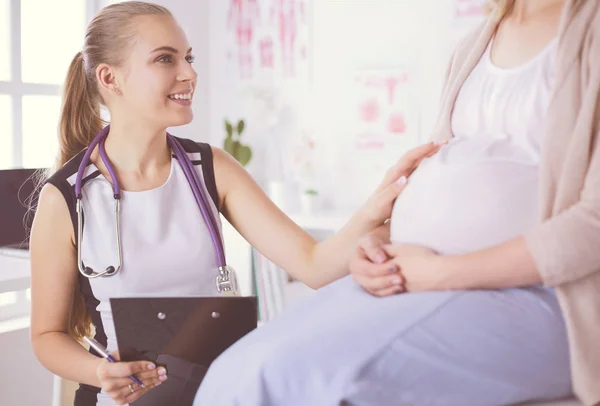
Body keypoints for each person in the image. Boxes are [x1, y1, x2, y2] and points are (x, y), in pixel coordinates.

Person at [28, 2, 444, 406]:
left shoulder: (213, 168)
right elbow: (47, 336)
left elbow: (314, 265)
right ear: (110, 78)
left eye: (188, 57)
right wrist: (100, 372)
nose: (189, 73)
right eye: (165, 59)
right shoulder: (67, 197)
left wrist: (377, 205)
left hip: (219, 391)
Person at [193, 0, 600, 405]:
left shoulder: (590, 28)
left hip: (547, 296)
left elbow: (593, 224)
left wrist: (443, 273)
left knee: (298, 375)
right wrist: (378, 246)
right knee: (236, 371)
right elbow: (448, 181)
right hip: (423, 279)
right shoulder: (476, 43)